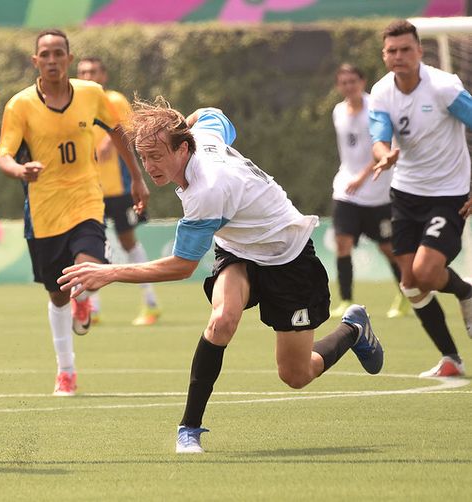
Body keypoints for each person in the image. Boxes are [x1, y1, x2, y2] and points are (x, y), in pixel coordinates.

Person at [58, 98, 384, 453]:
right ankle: (189, 429)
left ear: (183, 149)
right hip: (240, 252)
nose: (150, 166)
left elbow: (181, 266)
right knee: (221, 322)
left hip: (288, 257)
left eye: (157, 155)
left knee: (296, 375)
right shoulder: (202, 136)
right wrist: (182, 122)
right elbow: (212, 114)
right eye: (143, 156)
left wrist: (111, 272)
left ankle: (353, 329)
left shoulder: (206, 189)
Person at [0, 30, 149, 396]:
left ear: (68, 58)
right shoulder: (20, 105)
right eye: (45, 54)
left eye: (58, 53)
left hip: (86, 201)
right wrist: (20, 170)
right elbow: (3, 154)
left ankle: (83, 306)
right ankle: (66, 369)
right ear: (36, 61)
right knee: (57, 295)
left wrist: (137, 179)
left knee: (85, 271)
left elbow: (119, 132)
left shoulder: (91, 95)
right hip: (44, 212)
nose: (52, 60)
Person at [370, 19, 472, 378]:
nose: (399, 56)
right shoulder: (382, 91)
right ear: (385, 56)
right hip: (405, 194)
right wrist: (384, 154)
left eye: (405, 50)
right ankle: (451, 358)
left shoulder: (444, 88)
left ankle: (464, 292)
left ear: (419, 51)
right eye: (392, 51)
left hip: (449, 194)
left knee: (427, 273)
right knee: (410, 282)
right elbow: (379, 136)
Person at [76, 56, 161, 326]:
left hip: (118, 188)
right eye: (82, 72)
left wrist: (110, 145)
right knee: (94, 245)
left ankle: (151, 303)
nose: (88, 76)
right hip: (89, 190)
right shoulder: (74, 102)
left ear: (103, 75)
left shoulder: (114, 99)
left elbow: (125, 131)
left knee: (127, 242)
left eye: (93, 71)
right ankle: (93, 309)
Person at [329, 63, 409, 319]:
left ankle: (405, 295)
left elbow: (383, 147)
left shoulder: (375, 110)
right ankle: (346, 300)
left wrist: (363, 178)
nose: (348, 86)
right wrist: (352, 178)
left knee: (388, 248)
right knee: (343, 244)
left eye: (353, 81)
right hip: (346, 191)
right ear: (339, 85)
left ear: (362, 82)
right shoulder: (338, 111)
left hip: (377, 193)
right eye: (344, 82)